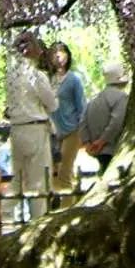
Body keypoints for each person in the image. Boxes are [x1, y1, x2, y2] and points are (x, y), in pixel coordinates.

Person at [5, 32, 59, 223]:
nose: (41, 51)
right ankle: (39, 222)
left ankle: (2, 214)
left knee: (18, 179)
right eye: (36, 46)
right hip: (35, 129)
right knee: (39, 181)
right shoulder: (37, 75)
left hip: (16, 129)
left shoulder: (11, 75)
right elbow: (52, 104)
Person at [49, 42, 87, 197]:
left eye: (62, 51)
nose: (58, 55)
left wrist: (82, 129)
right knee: (53, 173)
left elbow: (82, 107)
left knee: (65, 171)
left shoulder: (74, 80)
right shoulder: (48, 80)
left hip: (72, 130)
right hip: (52, 132)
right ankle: (61, 205)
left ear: (67, 56)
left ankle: (66, 207)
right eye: (55, 52)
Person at [80, 61, 130, 172]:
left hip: (96, 150)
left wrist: (88, 144)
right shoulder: (121, 97)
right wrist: (102, 141)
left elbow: (82, 122)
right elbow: (116, 122)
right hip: (111, 148)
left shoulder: (94, 99)